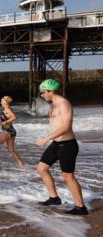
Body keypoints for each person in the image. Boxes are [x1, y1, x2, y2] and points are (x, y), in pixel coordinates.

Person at [36, 79, 88, 215]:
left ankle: (81, 207)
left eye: (43, 93)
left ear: (51, 91)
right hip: (56, 143)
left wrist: (46, 138)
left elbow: (66, 127)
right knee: (42, 168)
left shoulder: (64, 104)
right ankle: (54, 198)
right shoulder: (53, 105)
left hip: (68, 145)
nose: (42, 95)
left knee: (68, 177)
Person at [0, 96, 25, 168]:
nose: (0, 103)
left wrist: (6, 122)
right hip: (11, 131)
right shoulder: (6, 110)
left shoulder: (8, 109)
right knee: (11, 150)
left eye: (2, 101)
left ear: (5, 102)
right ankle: (21, 165)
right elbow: (2, 121)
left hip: (7, 131)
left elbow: (14, 117)